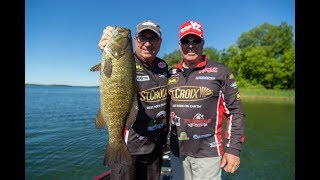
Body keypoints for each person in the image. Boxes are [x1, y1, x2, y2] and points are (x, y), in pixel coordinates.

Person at [167, 20, 245, 180]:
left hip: (208, 154)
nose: (190, 45)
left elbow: (235, 112)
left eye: (195, 40)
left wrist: (233, 149)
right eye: (185, 41)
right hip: (176, 152)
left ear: (203, 42)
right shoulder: (171, 73)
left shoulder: (220, 71)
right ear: (179, 44)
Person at [97, 20, 169, 180]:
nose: (148, 43)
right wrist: (105, 48)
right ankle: (115, 146)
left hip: (155, 148)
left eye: (153, 38)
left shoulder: (164, 67)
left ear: (160, 42)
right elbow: (110, 67)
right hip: (129, 147)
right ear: (135, 40)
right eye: (143, 38)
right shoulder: (128, 61)